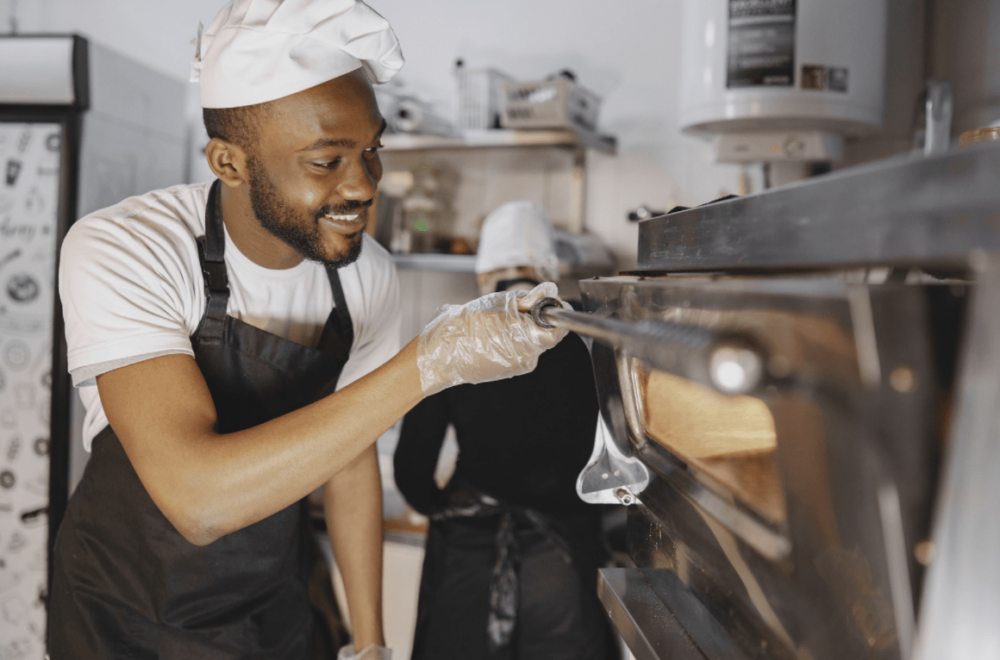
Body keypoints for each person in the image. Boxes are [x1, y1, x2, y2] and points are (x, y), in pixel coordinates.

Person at [47, 3, 569, 659]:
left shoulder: (364, 274)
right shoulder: (129, 247)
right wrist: (427, 363)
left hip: (275, 608)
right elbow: (196, 499)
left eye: (372, 150)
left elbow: (348, 455)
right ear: (229, 162)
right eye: (327, 161)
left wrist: (371, 643)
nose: (364, 185)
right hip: (128, 620)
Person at [394, 201, 614, 660]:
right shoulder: (587, 337)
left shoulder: (455, 337)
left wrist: (442, 506)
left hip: (471, 551)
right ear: (548, 269)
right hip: (564, 556)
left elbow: (412, 466)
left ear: (482, 274)